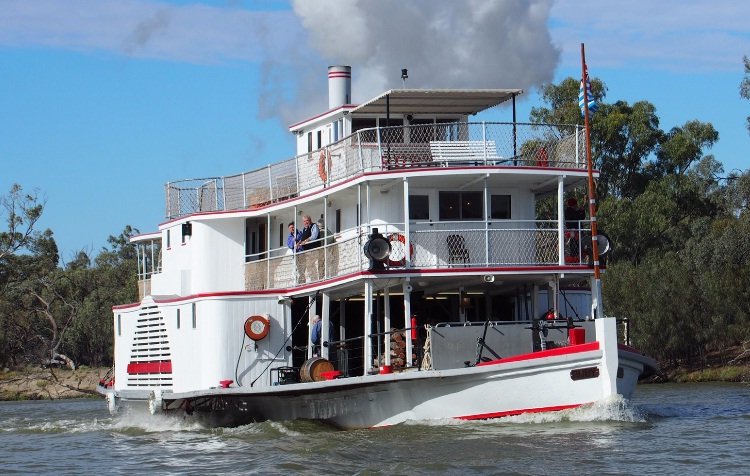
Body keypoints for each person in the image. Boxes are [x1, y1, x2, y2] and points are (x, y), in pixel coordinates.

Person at [296, 215, 321, 281]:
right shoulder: (304, 228)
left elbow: (314, 236)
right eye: (304, 221)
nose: (305, 222)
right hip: (307, 251)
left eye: (307, 220)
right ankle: (313, 279)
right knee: (309, 266)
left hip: (314, 249)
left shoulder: (314, 226)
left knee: (310, 264)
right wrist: (300, 242)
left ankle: (315, 280)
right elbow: (303, 237)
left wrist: (306, 241)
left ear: (310, 220)